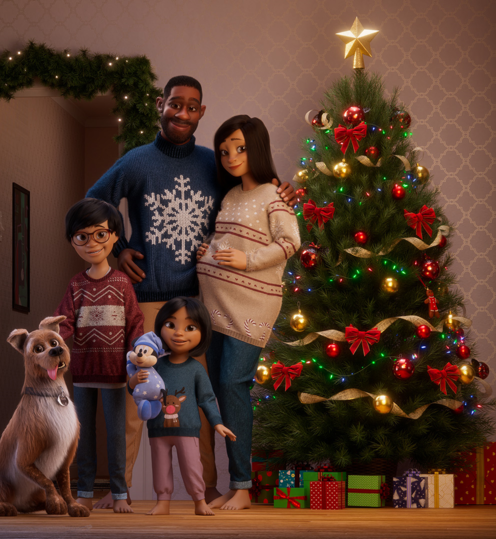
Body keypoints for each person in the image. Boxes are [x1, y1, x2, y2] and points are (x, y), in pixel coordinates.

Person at [86, 75, 297, 503]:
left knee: (196, 401)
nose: (182, 113)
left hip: (201, 303)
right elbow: (95, 202)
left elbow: (249, 194)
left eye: (192, 106)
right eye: (175, 104)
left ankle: (208, 489)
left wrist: (281, 190)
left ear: (202, 112)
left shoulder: (211, 164)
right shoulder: (136, 161)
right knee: (135, 396)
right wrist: (120, 250)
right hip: (146, 299)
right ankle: (121, 493)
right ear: (160, 104)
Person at [196, 115, 301, 510]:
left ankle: (243, 485)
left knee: (233, 385)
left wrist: (248, 260)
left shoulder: (273, 195)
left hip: (250, 305)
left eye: (239, 148)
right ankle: (235, 482)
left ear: (255, 147)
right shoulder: (230, 197)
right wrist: (205, 252)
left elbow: (290, 242)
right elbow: (224, 240)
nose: (230, 157)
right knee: (225, 390)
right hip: (215, 306)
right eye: (224, 151)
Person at [54, 198, 144, 513]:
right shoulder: (76, 285)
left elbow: (135, 324)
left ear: (115, 236)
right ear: (72, 241)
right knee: (84, 437)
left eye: (100, 235)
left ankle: (120, 494)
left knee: (116, 437)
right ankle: (85, 492)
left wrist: (137, 355)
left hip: (117, 374)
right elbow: (63, 323)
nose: (92, 243)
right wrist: (50, 342)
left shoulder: (122, 283)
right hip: (82, 373)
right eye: (82, 237)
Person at [128, 297, 235, 516]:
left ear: (202, 333)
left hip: (187, 429)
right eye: (171, 325)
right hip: (158, 429)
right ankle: (163, 502)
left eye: (190, 327)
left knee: (192, 468)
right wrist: (133, 381)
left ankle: (199, 501)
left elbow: (206, 399)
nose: (179, 333)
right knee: (160, 467)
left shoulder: (196, 369)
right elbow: (137, 391)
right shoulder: (156, 365)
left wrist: (217, 423)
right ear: (160, 328)